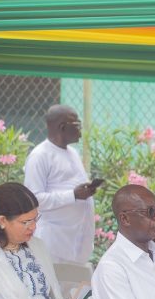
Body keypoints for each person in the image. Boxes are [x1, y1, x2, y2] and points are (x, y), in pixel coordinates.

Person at [23, 104, 99, 265]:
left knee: (75, 289)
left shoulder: (73, 153)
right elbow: (33, 200)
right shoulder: (40, 156)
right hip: (53, 245)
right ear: (62, 127)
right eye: (77, 125)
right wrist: (73, 195)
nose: (81, 129)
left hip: (75, 244)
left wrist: (86, 191)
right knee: (52, 290)